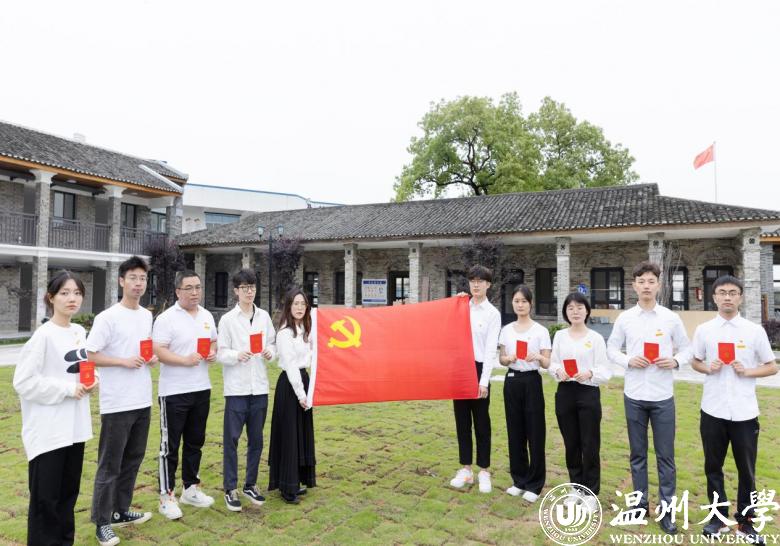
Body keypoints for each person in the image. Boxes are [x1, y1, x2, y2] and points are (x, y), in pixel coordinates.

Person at [690, 275, 777, 543]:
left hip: (744, 412)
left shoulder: (753, 331)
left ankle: (746, 523)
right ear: (714, 297)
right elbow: (695, 361)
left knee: (746, 470)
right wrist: (708, 367)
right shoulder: (704, 330)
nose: (727, 297)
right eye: (722, 292)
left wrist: (747, 371)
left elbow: (772, 366)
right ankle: (717, 519)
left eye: (732, 292)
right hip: (712, 409)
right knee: (713, 467)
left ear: (740, 297)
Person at [13, 270, 98, 546]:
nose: (72, 298)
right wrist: (67, 389)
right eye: (65, 293)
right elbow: (24, 382)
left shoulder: (78, 331)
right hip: (49, 432)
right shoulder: (43, 336)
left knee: (67, 497)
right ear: (50, 298)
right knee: (45, 502)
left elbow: (81, 367)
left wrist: (92, 379)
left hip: (74, 429)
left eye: (77, 293)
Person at [607, 261, 690, 535]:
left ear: (658, 285)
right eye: (641, 281)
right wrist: (628, 360)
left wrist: (675, 361)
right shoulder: (625, 318)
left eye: (651, 281)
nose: (646, 286)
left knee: (665, 456)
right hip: (634, 395)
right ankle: (640, 505)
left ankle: (667, 511)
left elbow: (687, 349)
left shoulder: (670, 318)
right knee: (637, 455)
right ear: (634, 285)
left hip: (662, 396)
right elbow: (611, 348)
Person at [87, 256, 156, 546]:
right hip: (117, 403)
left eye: (142, 278)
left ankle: (120, 510)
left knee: (133, 460)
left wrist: (150, 358)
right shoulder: (108, 317)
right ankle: (102, 522)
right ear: (121, 281)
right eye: (133, 278)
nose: (138, 284)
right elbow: (90, 354)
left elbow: (144, 348)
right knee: (110, 464)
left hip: (142, 399)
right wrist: (122, 361)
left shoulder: (146, 316)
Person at [153, 270, 218, 519]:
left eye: (198, 287)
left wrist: (212, 352)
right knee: (169, 446)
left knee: (195, 442)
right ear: (178, 291)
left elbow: (213, 341)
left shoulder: (207, 315)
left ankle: (190, 488)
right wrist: (184, 360)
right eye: (188, 288)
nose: (194, 292)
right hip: (174, 392)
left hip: (201, 388)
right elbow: (159, 350)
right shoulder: (166, 318)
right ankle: (166, 496)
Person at [217, 269, 276, 512]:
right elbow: (220, 352)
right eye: (244, 288)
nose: (249, 292)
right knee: (231, 440)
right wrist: (236, 355)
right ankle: (230, 487)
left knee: (256, 440)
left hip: (259, 387)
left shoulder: (264, 317)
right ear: (236, 291)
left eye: (252, 287)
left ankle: (250, 484)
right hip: (237, 389)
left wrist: (271, 352)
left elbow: (272, 343)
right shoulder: (227, 320)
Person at [549, 292, 612, 513]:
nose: (575, 311)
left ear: (587, 311)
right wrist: (558, 370)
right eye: (570, 308)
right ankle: (576, 487)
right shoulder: (560, 336)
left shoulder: (595, 338)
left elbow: (606, 370)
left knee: (590, 444)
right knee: (571, 443)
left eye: (579, 307)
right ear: (565, 312)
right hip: (565, 392)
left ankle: (590, 492)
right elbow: (552, 363)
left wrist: (590, 373)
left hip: (588, 393)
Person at [497, 285, 551, 502]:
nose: (520, 305)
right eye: (516, 301)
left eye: (524, 301)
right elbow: (502, 359)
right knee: (515, 431)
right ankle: (519, 479)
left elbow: (547, 363)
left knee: (535, 432)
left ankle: (535, 484)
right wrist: (507, 359)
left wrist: (538, 356)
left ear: (531, 304)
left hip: (531, 381)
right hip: (512, 381)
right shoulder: (507, 330)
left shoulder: (540, 331)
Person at [449, 265, 501, 494]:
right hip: (460, 368)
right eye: (472, 281)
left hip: (479, 369)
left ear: (488, 284)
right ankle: (466, 468)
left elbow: (490, 350)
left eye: (480, 281)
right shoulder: (461, 306)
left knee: (481, 422)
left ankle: (484, 470)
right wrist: (456, 302)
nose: (476, 284)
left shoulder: (492, 314)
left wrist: (484, 381)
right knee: (462, 421)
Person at [268, 287, 316, 504]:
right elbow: (290, 365)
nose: (299, 307)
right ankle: (287, 487)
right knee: (289, 435)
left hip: (304, 381)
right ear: (288, 306)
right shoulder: (284, 333)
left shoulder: (305, 330)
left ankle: (295, 481)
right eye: (295, 303)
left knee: (300, 433)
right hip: (290, 386)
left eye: (303, 304)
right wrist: (301, 394)